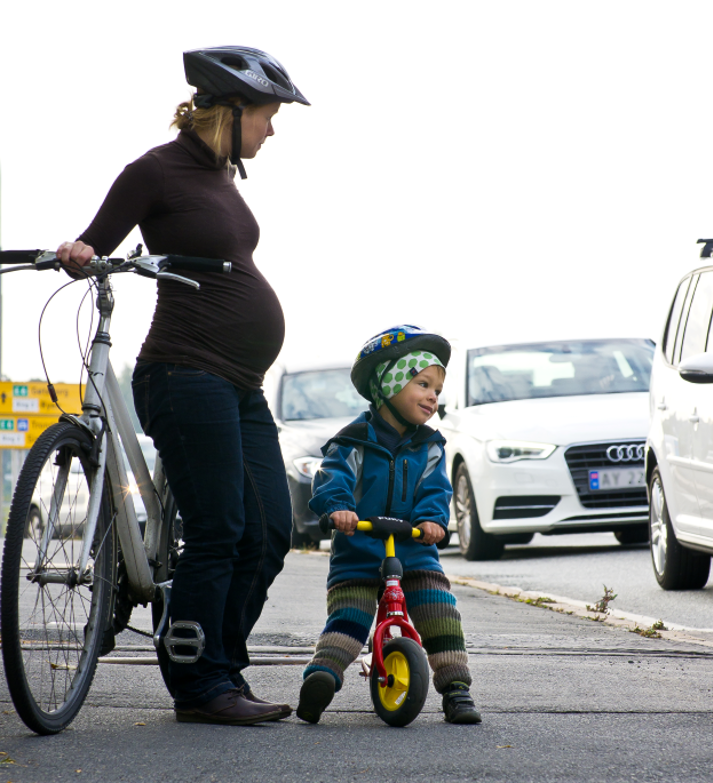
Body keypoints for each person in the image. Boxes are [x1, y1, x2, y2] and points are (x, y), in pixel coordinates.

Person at [57, 46, 309, 725]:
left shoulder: (224, 173)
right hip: (185, 372)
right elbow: (95, 241)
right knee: (222, 527)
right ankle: (201, 684)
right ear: (228, 111)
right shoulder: (154, 171)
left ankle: (215, 659)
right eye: (267, 114)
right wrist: (80, 251)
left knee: (271, 530)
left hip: (240, 382)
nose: (273, 129)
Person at [297, 325, 482, 725]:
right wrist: (339, 509)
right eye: (423, 383)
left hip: (413, 549)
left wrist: (433, 520)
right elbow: (333, 479)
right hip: (359, 551)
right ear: (390, 384)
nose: (433, 395)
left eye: (437, 388)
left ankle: (456, 690)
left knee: (439, 611)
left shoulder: (429, 445)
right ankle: (322, 678)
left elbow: (436, 488)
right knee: (350, 618)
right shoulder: (353, 441)